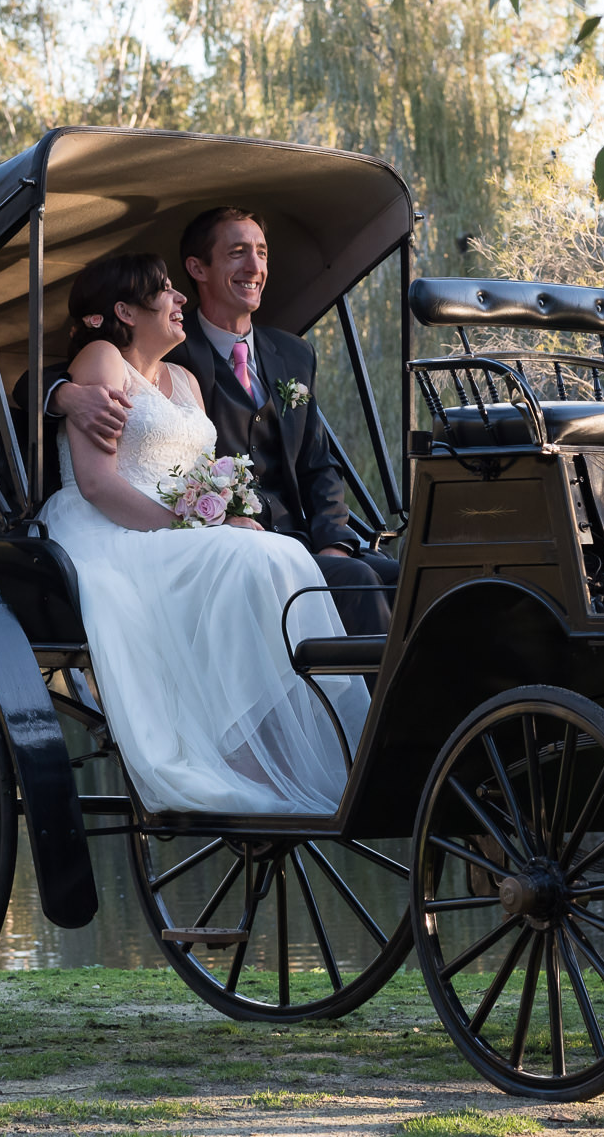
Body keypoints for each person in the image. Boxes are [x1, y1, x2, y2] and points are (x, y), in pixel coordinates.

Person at [35, 252, 365, 815]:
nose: (181, 297)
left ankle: (278, 740)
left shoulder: (186, 377)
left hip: (178, 526)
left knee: (275, 552)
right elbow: (96, 484)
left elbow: (203, 472)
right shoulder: (101, 360)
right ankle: (238, 749)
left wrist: (220, 514)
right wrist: (190, 527)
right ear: (124, 310)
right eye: (165, 289)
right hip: (109, 528)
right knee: (250, 558)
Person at [48, 207, 399, 635]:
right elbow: (49, 374)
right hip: (214, 542)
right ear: (198, 268)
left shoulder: (293, 354)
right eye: (237, 253)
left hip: (292, 539)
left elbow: (318, 465)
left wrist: (334, 544)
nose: (255, 267)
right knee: (359, 586)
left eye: (262, 253)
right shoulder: (162, 347)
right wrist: (63, 394)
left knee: (408, 580)